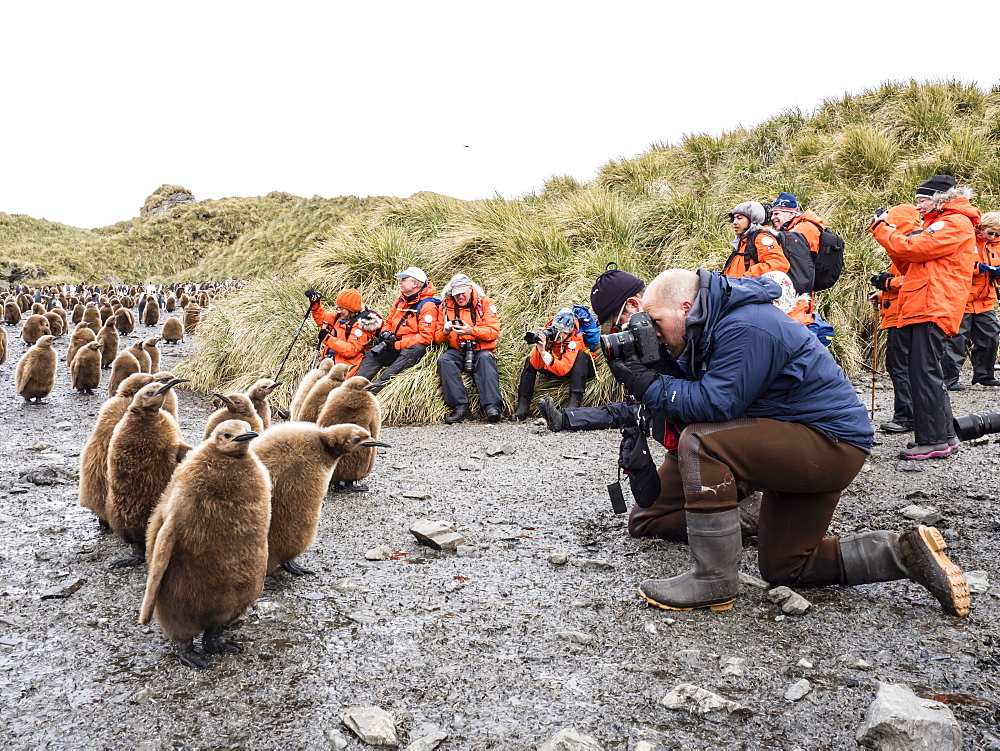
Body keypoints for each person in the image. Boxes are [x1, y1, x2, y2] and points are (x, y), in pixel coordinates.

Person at [607, 268, 969, 618]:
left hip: (828, 446)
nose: (654, 333)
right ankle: (904, 553)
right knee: (786, 568)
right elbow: (700, 397)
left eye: (656, 323)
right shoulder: (708, 327)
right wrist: (651, 370)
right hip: (800, 443)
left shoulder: (745, 325)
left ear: (686, 308)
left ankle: (713, 580)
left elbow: (715, 405)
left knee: (702, 443)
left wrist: (649, 384)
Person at [870, 175, 981, 459]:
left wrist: (883, 229)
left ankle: (933, 440)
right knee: (927, 372)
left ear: (939, 198)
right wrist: (890, 235)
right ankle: (943, 435)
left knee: (924, 374)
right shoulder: (944, 224)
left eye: (922, 200)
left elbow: (914, 249)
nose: (918, 207)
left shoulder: (953, 222)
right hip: (927, 305)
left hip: (932, 306)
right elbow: (908, 261)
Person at [537, 264, 646, 432]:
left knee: (630, 412)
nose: (619, 329)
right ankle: (564, 418)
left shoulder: (670, 328)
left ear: (632, 305)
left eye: (617, 319)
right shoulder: (646, 329)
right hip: (651, 405)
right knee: (620, 411)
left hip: (672, 406)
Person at [869, 204, 921, 433]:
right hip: (902, 313)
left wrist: (886, 283)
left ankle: (905, 417)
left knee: (900, 366)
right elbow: (905, 279)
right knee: (905, 366)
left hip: (906, 315)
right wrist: (882, 293)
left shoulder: (912, 243)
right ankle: (911, 415)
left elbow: (915, 280)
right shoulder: (912, 242)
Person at [355, 267, 439, 394]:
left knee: (417, 348)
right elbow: (389, 321)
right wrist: (385, 332)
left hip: (409, 349)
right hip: (394, 344)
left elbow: (426, 337)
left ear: (415, 284)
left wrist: (397, 345)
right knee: (372, 355)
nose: (400, 282)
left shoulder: (428, 306)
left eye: (403, 280)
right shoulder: (401, 300)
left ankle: (378, 386)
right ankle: (355, 386)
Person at [942, 211, 1000, 389]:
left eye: (997, 234)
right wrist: (979, 268)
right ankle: (949, 379)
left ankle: (984, 376)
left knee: (990, 337)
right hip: (962, 300)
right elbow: (955, 263)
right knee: (956, 340)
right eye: (990, 233)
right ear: (982, 227)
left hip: (984, 301)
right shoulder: (966, 239)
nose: (993, 237)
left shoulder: (996, 245)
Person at [433, 273, 502, 423]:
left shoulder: (486, 304)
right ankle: (461, 408)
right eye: (456, 294)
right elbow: (437, 338)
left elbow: (494, 332)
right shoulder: (445, 306)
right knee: (445, 361)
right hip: (457, 349)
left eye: (462, 293)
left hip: (481, 348)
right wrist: (445, 331)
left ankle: (492, 407)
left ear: (470, 289)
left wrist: (471, 331)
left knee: (485, 359)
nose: (460, 298)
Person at [510, 307, 594, 421]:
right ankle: (523, 407)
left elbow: (563, 369)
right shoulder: (549, 334)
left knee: (581, 356)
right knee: (530, 360)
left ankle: (574, 405)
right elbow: (536, 364)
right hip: (555, 364)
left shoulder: (576, 339)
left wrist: (545, 354)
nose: (559, 336)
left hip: (577, 370)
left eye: (563, 334)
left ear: (569, 332)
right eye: (558, 332)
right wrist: (540, 348)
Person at [305, 288, 381, 377]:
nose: (338, 311)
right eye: (338, 307)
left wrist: (327, 338)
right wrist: (316, 305)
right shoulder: (340, 317)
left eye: (341, 308)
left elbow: (350, 350)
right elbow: (323, 320)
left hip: (343, 369)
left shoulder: (362, 326)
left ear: (351, 309)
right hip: (329, 363)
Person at [722, 201, 790, 279]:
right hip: (737, 288)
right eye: (734, 218)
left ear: (753, 219)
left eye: (739, 218)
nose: (734, 222)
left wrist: (746, 277)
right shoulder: (745, 240)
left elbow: (779, 264)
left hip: (746, 289)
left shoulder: (761, 237)